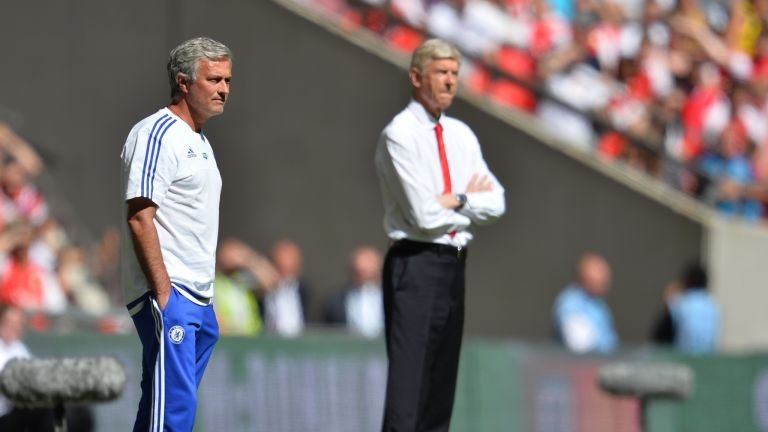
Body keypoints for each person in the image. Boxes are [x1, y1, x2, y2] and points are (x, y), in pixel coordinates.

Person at [374, 38, 506, 431]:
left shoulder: (461, 134)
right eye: (441, 73)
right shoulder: (400, 134)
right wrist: (463, 206)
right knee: (408, 390)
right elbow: (424, 214)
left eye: (454, 74)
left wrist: (458, 199)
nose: (450, 82)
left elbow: (496, 202)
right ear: (417, 77)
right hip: (416, 262)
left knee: (439, 389)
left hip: (453, 264)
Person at [120, 36, 232, 431]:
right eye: (214, 79)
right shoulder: (158, 133)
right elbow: (139, 215)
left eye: (227, 81)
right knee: (173, 414)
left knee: (162, 406)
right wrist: (165, 294)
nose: (223, 89)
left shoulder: (200, 141)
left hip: (198, 296)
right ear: (184, 82)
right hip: (172, 293)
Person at [553, 253, 618, 353]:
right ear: (584, 276)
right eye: (599, 272)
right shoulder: (570, 303)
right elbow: (579, 344)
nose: (605, 278)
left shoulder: (599, 304)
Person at [654, 262, 720, 354]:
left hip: (685, 357)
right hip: (708, 358)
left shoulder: (681, 303)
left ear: (686, 281)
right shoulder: (713, 305)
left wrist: (668, 300)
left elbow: (660, 336)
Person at [324, 246, 385, 338]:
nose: (363, 277)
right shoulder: (335, 301)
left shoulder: (393, 298)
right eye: (358, 273)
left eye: (369, 273)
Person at [261, 239, 312, 337]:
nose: (286, 277)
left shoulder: (305, 292)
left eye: (291, 269)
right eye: (280, 268)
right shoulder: (259, 293)